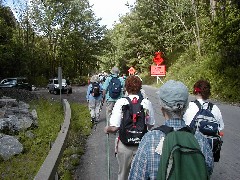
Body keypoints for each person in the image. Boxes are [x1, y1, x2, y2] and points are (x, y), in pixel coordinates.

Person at [128, 80, 214, 179]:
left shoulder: (150, 140)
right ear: (185, 107)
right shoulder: (200, 140)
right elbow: (207, 171)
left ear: (162, 108)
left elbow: (136, 177)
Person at [104, 75, 155, 180]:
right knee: (140, 175)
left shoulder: (121, 102)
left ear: (126, 88)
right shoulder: (146, 102)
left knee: (123, 174)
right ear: (140, 88)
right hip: (141, 144)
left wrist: (107, 129)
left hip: (124, 144)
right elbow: (150, 125)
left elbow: (114, 128)